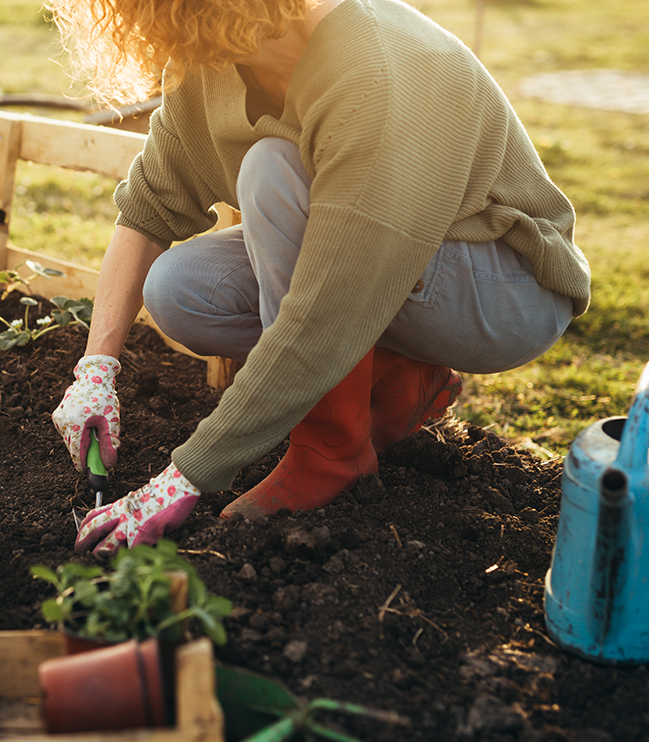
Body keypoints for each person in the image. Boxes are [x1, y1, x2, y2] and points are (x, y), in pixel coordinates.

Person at [50, 0, 591, 555]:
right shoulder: (211, 62)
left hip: (503, 284)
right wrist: (96, 369)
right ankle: (399, 376)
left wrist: (183, 478)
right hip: (390, 266)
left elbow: (326, 312)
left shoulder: (374, 68)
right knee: (180, 289)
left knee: (271, 172)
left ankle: (332, 452)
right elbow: (147, 208)